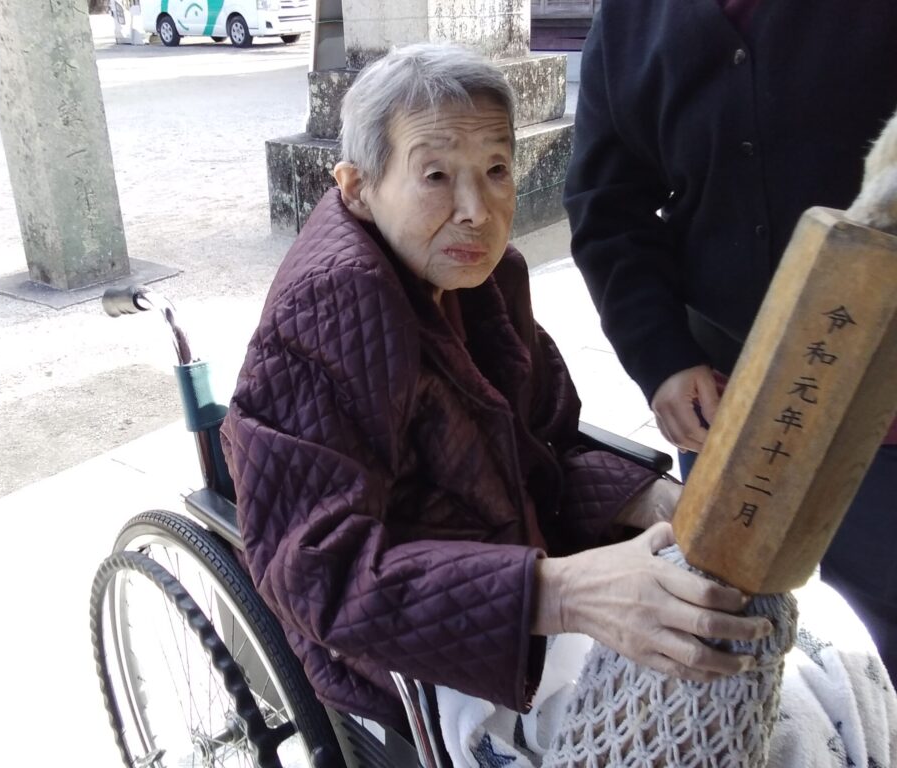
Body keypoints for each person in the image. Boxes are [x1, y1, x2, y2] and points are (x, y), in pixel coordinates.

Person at [220, 42, 771, 732]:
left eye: (496, 170)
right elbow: (316, 574)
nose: (476, 210)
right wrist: (561, 594)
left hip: (521, 574)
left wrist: (660, 501)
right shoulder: (328, 310)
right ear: (357, 187)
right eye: (436, 175)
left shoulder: (485, 276)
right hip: (403, 651)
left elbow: (549, 440)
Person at [564, 0, 897, 680]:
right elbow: (608, 203)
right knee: (732, 628)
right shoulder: (631, 17)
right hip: (724, 397)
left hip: (881, 405)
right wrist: (661, 358)